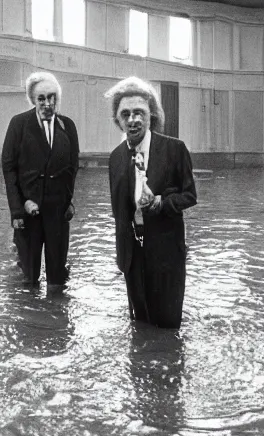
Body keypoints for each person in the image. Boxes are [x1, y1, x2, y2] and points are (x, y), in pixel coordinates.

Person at [104, 77, 197, 329]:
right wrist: (121, 255)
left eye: (139, 113)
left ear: (151, 115)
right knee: (140, 325)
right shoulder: (115, 158)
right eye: (126, 114)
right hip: (132, 257)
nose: (133, 119)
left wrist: (161, 202)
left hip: (166, 253)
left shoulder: (175, 150)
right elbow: (117, 212)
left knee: (167, 327)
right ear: (118, 119)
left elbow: (190, 195)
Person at [1, 71, 79, 289]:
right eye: (41, 98)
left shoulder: (67, 126)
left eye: (52, 97)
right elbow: (9, 169)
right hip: (28, 213)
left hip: (57, 213)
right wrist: (18, 208)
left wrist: (67, 200)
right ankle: (29, 320)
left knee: (57, 279)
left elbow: (72, 168)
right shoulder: (19, 124)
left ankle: (56, 316)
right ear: (33, 100)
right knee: (29, 278)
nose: (47, 103)